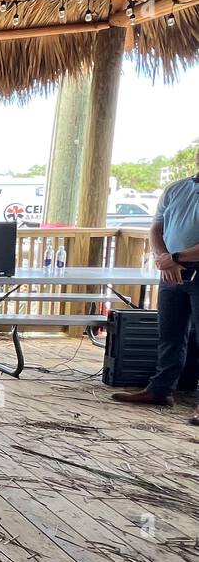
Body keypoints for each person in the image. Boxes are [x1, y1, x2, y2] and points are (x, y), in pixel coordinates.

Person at [112, 147, 199, 424]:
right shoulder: (176, 189)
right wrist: (164, 258)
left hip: (191, 268)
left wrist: (176, 257)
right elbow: (155, 227)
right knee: (169, 334)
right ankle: (160, 390)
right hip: (170, 272)